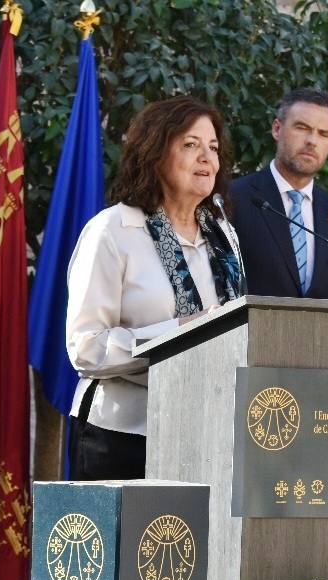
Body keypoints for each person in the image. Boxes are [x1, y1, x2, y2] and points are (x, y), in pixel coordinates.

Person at [66, 96, 240, 480]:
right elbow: (86, 347)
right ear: (154, 153)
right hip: (122, 435)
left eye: (213, 148)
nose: (207, 158)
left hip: (205, 432)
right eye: (191, 145)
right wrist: (176, 335)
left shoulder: (222, 234)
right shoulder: (112, 231)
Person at [230, 88, 328, 299]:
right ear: (277, 129)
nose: (312, 141)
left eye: (324, 134)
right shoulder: (234, 198)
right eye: (302, 127)